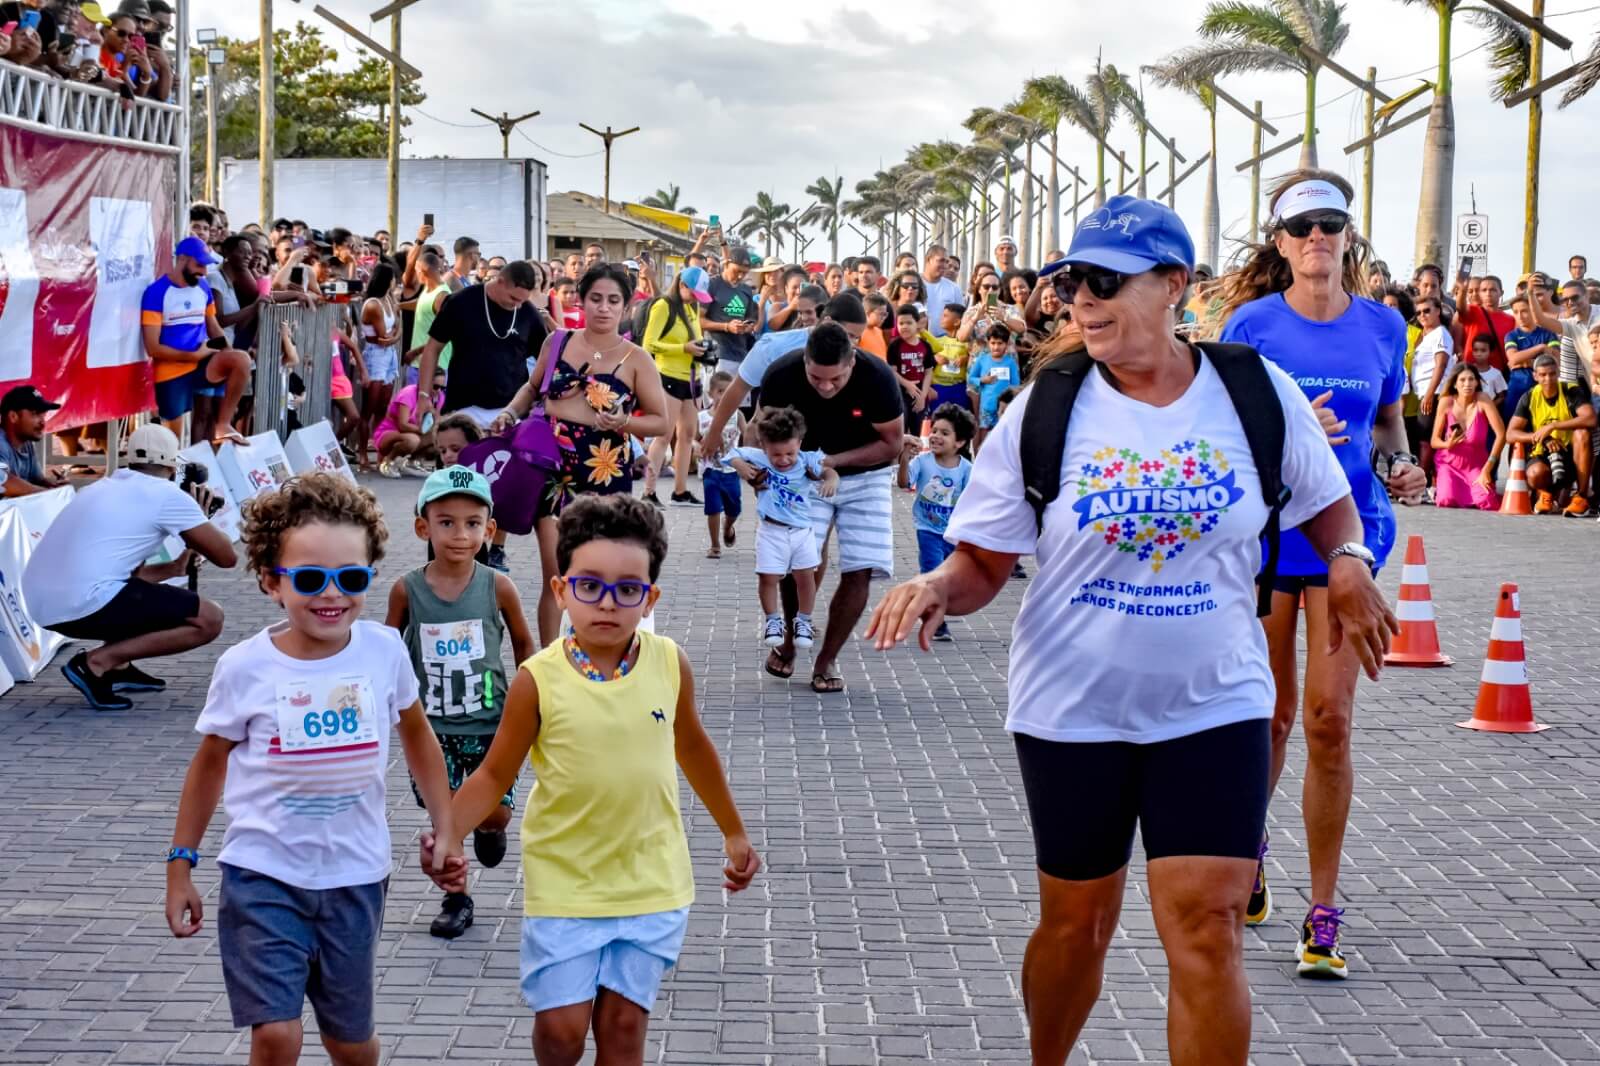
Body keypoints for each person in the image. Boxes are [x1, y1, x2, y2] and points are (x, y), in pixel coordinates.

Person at [865, 195, 1395, 1064]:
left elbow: (1332, 512)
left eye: (1106, 281)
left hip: (1217, 703)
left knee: (1208, 925)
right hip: (1075, 710)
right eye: (1073, 281)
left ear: (1173, 286)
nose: (1081, 300)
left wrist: (1350, 565)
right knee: (1078, 926)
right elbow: (984, 566)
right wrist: (933, 584)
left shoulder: (1256, 394)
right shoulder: (1046, 409)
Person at [433, 495, 760, 1066]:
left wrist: (733, 832)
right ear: (561, 591)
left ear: (649, 597)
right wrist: (449, 833)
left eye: (627, 589)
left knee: (625, 1026)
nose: (607, 603)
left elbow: (693, 746)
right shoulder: (538, 681)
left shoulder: (669, 662)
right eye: (589, 586)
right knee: (561, 1033)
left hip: (651, 878)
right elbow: (493, 774)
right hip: (566, 881)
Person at [163, 474, 463, 1066]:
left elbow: (419, 737)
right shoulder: (244, 667)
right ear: (273, 582)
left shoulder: (383, 650)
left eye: (351, 578)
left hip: (356, 876)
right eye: (309, 579)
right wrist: (181, 862)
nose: (332, 594)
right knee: (276, 1035)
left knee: (350, 1043)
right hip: (262, 874)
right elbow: (207, 767)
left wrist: (446, 826)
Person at [1213, 172, 1423, 979]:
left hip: (1349, 541)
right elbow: (1224, 431)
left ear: (1347, 234)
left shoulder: (1382, 326)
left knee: (1330, 720)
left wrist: (1402, 464)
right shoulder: (1252, 324)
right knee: (1270, 717)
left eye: (1329, 224)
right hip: (1271, 538)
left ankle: (1324, 911)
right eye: (1301, 229)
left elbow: (1387, 418)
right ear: (1279, 242)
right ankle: (1249, 854)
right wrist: (1288, 432)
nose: (1316, 240)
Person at [387, 466, 535, 939]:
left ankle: (491, 831)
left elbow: (523, 643)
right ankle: (457, 896)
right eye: (446, 521)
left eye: (473, 523)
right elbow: (387, 650)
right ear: (422, 527)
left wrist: (532, 700)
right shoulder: (406, 589)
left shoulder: (498, 586)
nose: (460, 533)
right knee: (446, 816)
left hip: (491, 725)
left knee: (492, 812)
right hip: (429, 730)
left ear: (489, 530)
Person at [495, 263, 670, 643]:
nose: (603, 308)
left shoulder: (637, 359)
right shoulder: (557, 341)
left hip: (605, 472)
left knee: (599, 569)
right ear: (581, 300)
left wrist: (623, 422)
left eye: (613, 301)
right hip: (552, 468)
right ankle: (548, 665)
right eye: (595, 299)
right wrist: (510, 412)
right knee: (556, 573)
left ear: (626, 307)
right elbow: (532, 387)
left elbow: (661, 423)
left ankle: (598, 652)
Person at [24, 424, 235, 711]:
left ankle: (120, 667)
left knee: (133, 594)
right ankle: (97, 663)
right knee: (210, 619)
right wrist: (199, 514)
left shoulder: (105, 485)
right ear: (173, 466)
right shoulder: (168, 495)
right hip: (80, 604)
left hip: (41, 606)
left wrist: (172, 568)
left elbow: (122, 576)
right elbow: (227, 558)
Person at [755, 321, 903, 694]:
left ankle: (827, 659)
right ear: (804, 360)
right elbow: (766, 432)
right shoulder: (781, 375)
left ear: (852, 361)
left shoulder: (878, 378)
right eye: (816, 377)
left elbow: (892, 445)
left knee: (860, 568)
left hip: (867, 476)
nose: (825, 387)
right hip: (804, 473)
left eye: (834, 379)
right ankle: (790, 641)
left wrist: (833, 462)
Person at [727, 406, 838, 650]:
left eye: (790, 452)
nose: (784, 460)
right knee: (768, 577)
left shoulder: (807, 458)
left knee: (805, 577)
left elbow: (828, 469)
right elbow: (731, 453)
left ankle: (804, 621)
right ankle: (772, 620)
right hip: (771, 530)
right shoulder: (759, 457)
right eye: (776, 454)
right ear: (764, 447)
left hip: (802, 531)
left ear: (799, 442)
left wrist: (831, 480)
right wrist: (741, 467)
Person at [698, 289, 863, 450]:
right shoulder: (774, 347)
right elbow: (738, 388)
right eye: (849, 335)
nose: (853, 343)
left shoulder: (854, 358)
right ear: (828, 322)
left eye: (856, 337)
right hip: (774, 441)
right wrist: (715, 431)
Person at [141, 237, 253, 445]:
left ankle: (223, 425)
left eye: (205, 266)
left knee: (241, 360)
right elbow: (152, 347)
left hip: (202, 361)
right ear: (182, 259)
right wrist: (191, 355)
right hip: (171, 371)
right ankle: (174, 474)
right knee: (172, 441)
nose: (203, 271)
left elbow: (213, 326)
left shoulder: (202, 286)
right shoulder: (156, 293)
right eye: (199, 265)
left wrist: (228, 353)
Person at [415, 260, 550, 431]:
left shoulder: (529, 313)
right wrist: (423, 396)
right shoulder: (461, 302)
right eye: (513, 298)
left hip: (510, 411)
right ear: (500, 281)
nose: (517, 305)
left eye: (522, 301)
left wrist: (539, 400)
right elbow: (432, 349)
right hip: (464, 406)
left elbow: (547, 362)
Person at [897, 402, 974, 641]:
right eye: (934, 431)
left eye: (944, 433)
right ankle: (935, 621)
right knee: (932, 574)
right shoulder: (923, 462)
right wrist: (904, 459)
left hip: (953, 533)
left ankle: (927, 607)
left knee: (948, 579)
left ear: (959, 442)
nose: (935, 436)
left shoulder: (966, 469)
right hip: (927, 529)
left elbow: (972, 500)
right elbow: (903, 483)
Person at [641, 265, 713, 508]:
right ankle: (648, 492)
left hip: (692, 378)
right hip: (668, 376)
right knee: (664, 435)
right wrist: (683, 348)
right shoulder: (663, 306)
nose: (696, 299)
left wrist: (702, 350)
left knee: (687, 435)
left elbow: (693, 340)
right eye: (693, 293)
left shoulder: (691, 307)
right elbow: (648, 344)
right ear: (682, 285)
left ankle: (680, 491)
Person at [1507, 354, 1595, 515]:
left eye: (1552, 374)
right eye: (1543, 375)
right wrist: (1542, 437)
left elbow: (1590, 419)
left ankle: (1581, 496)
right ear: (1535, 376)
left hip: (1570, 455)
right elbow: (1510, 434)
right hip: (1543, 454)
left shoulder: (1571, 390)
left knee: (1582, 433)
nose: (1548, 379)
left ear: (1558, 372)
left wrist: (1553, 426)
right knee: (1536, 473)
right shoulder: (1529, 397)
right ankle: (1545, 494)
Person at [1431, 363, 1506, 511]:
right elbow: (1434, 441)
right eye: (1462, 380)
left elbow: (1501, 434)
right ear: (1454, 384)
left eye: (1471, 379)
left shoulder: (1483, 400)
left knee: (1487, 502)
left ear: (1477, 382)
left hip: (1476, 466)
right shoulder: (1446, 402)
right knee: (1447, 500)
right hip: (1449, 464)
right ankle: (1439, 486)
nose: (1467, 384)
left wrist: (1487, 469)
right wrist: (1447, 444)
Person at [358, 259, 403, 473]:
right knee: (369, 407)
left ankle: (379, 452)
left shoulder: (389, 299)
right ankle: (362, 452)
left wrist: (395, 335)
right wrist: (396, 335)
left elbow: (394, 334)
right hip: (376, 355)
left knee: (383, 408)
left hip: (388, 355)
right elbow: (385, 337)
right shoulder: (374, 304)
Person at [697, 371, 745, 559]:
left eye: (728, 392)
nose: (724, 396)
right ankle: (715, 545)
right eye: (720, 391)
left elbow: (747, 434)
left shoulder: (737, 415)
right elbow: (692, 439)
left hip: (732, 470)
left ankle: (729, 525)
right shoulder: (701, 417)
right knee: (713, 508)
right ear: (710, 393)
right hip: (710, 470)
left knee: (735, 509)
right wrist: (695, 447)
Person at [374, 366, 444, 478]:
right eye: (436, 387)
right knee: (413, 440)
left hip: (413, 434)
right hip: (389, 434)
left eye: (442, 388)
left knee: (438, 439)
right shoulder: (409, 393)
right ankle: (387, 462)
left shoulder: (438, 397)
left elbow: (437, 424)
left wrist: (432, 413)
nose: (439, 391)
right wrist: (422, 430)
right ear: (425, 382)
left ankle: (411, 462)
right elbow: (403, 425)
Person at [700, 251, 760, 381]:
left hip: (741, 354)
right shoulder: (711, 285)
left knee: (740, 400)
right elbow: (698, 320)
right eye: (737, 271)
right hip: (716, 353)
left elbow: (750, 319)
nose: (740, 276)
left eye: (744, 273)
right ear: (726, 264)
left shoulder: (746, 290)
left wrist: (748, 327)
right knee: (715, 399)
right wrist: (726, 326)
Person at [1410, 296, 1453, 475]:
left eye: (1427, 311)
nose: (1422, 315)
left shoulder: (1440, 333)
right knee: (1421, 438)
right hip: (1422, 393)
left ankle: (1422, 481)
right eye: (1418, 312)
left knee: (1426, 440)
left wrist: (1429, 394)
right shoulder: (1423, 335)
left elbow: (1441, 364)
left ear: (1438, 311)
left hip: (1434, 392)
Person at [0, 385, 68, 496]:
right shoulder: (1, 443)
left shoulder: (26, 443)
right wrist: (49, 494)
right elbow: (3, 481)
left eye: (43, 415)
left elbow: (37, 480)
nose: (43, 423)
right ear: (13, 416)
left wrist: (55, 487)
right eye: (35, 414)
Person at [1504, 293, 1556, 419]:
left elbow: (1555, 361)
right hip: (1517, 387)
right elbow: (1513, 358)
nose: (1520, 316)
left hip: (1543, 387)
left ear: (1533, 310)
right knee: (1513, 429)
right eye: (1515, 312)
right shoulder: (1511, 335)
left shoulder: (1549, 334)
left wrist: (1528, 362)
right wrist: (1541, 348)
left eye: (1524, 311)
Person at [967, 329, 1021, 449]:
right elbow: (971, 378)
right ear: (988, 343)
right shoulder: (982, 360)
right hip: (986, 405)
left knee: (1002, 434)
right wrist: (982, 380)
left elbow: (1016, 385)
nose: (996, 347)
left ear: (1007, 344)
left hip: (1003, 407)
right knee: (984, 435)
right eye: (993, 343)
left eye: (1000, 343)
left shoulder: (1010, 362)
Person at [885, 303, 935, 430]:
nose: (905, 327)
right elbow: (892, 371)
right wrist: (907, 384)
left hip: (919, 392)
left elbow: (928, 372)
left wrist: (923, 396)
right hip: (901, 393)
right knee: (902, 427)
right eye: (901, 323)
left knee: (919, 429)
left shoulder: (925, 346)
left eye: (909, 323)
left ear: (917, 324)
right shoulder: (894, 346)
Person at [921, 245, 963, 333]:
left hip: (945, 343)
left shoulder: (954, 288)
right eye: (941, 260)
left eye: (946, 262)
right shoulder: (913, 284)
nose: (945, 265)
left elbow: (961, 318)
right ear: (928, 259)